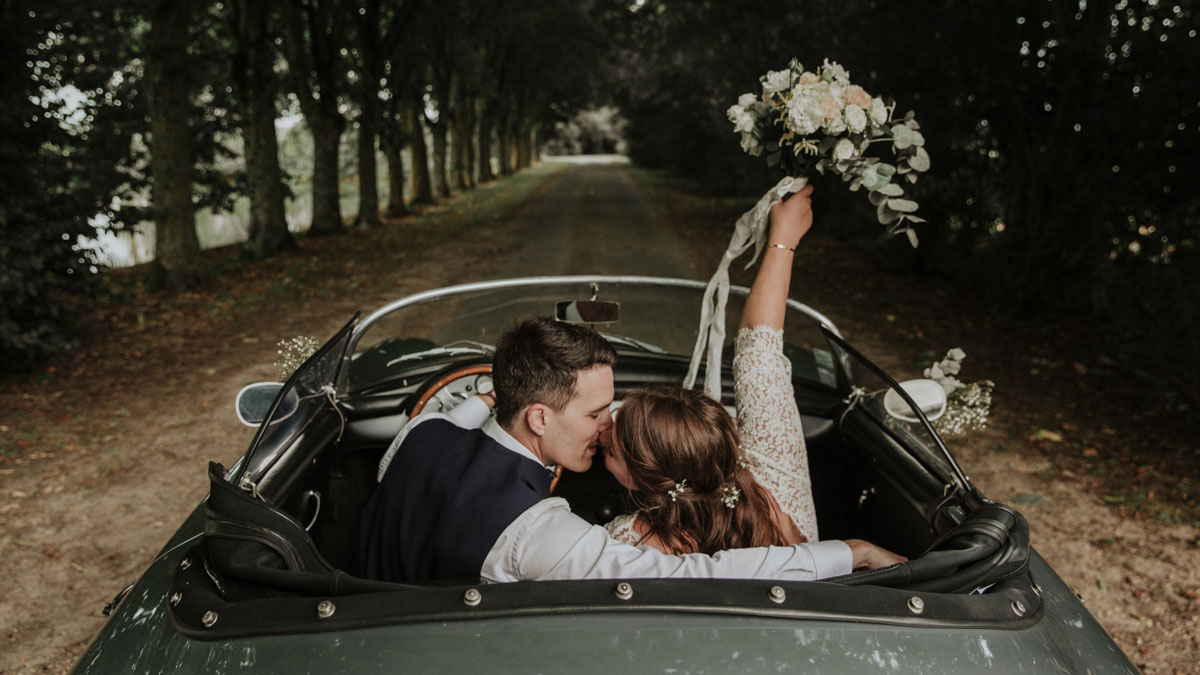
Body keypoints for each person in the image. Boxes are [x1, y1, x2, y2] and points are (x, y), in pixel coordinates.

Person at [359, 313, 900, 584]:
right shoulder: (538, 530)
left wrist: (504, 387)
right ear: (540, 417)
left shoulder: (420, 436)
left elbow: (467, 413)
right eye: (595, 413)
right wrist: (850, 551)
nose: (604, 427)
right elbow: (694, 577)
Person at [602, 185, 903, 566]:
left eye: (610, 449)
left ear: (644, 479)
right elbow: (758, 351)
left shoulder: (625, 541)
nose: (603, 428)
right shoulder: (774, 479)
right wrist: (784, 240)